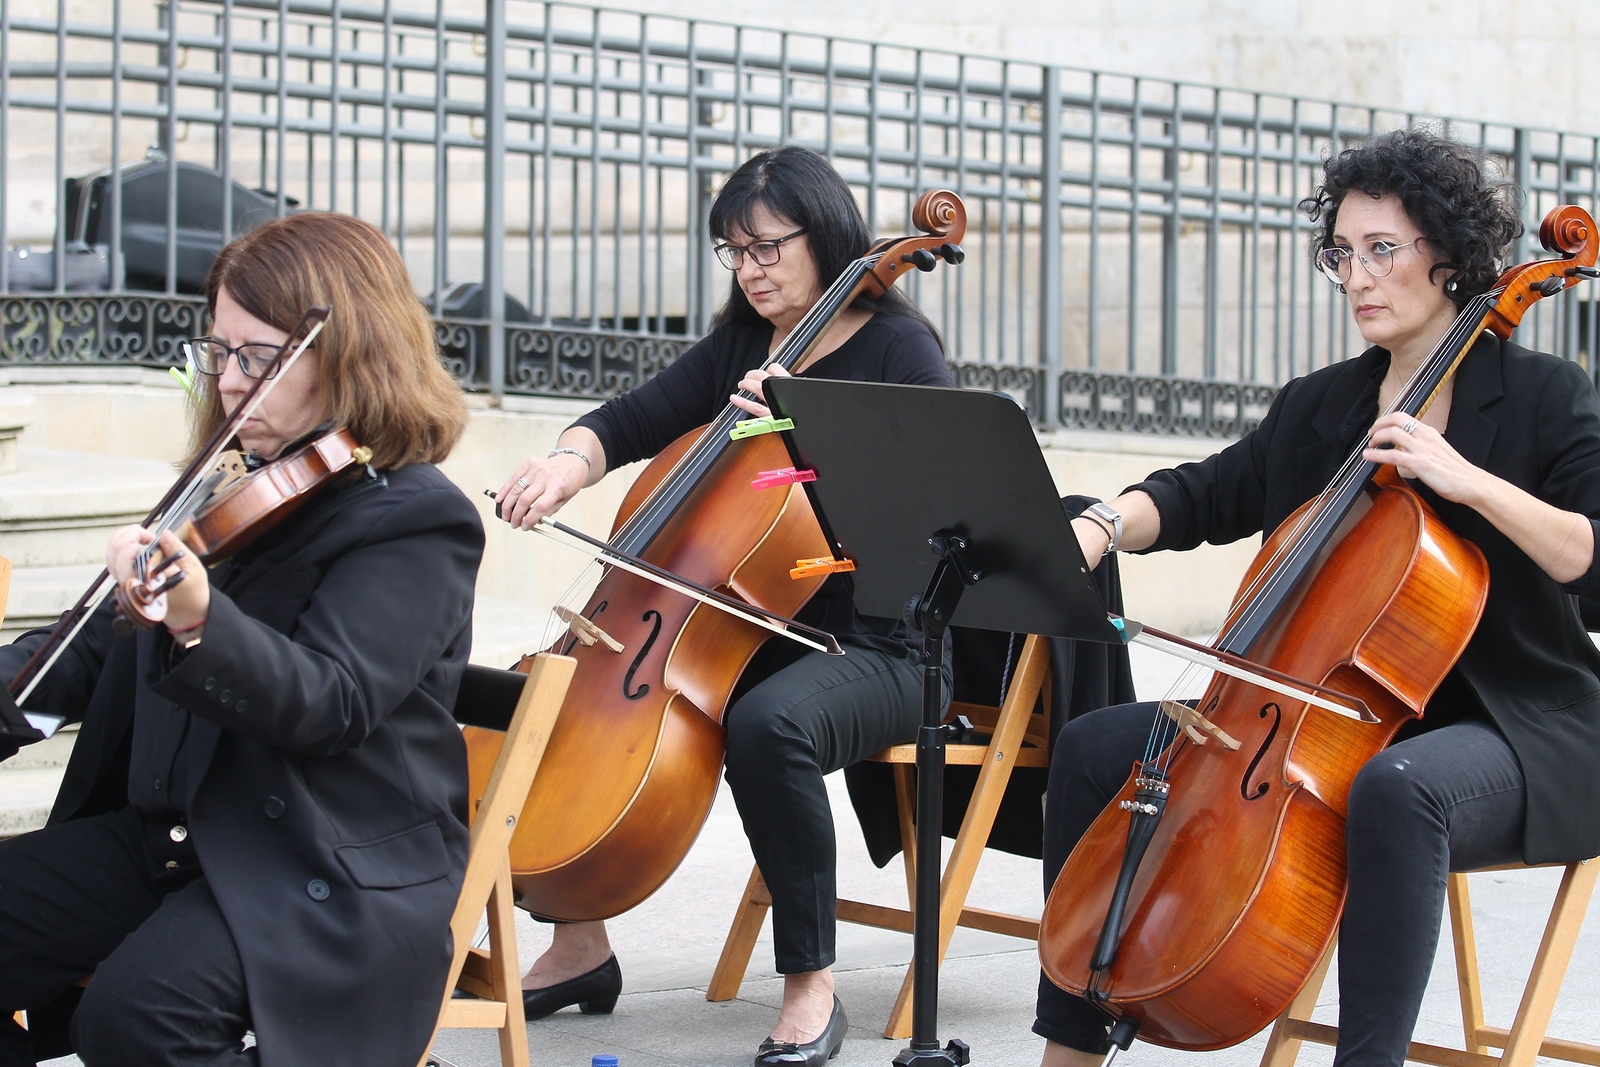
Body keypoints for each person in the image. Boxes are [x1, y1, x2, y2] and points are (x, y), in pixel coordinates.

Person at [1035, 127, 1600, 1067]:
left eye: (1383, 250)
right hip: (1349, 718)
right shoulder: (1323, 405)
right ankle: (1074, 1045)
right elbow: (1207, 489)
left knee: (1398, 791)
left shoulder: (1545, 395)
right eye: (1343, 253)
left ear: (1453, 261)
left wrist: (1466, 481)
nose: (1357, 277)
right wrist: (1102, 521)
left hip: (1526, 728)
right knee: (1098, 745)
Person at [495, 144, 952, 1065]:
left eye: (766, 248)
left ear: (824, 238)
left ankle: (811, 989)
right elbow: (627, 420)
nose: (748, 270)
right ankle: (579, 943)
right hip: (758, 628)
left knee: (766, 721)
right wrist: (563, 464)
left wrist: (811, 428)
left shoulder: (903, 350)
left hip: (889, 647)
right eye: (733, 253)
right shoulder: (746, 345)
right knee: (538, 702)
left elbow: (935, 515)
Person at [0, 212, 482, 1067]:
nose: (228, 381)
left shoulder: (416, 519)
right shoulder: (230, 489)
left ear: (350, 352)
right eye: (218, 352)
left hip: (310, 862)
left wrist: (199, 618)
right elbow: (86, 648)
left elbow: (329, 700)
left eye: (257, 357)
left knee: (137, 1017)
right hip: (172, 840)